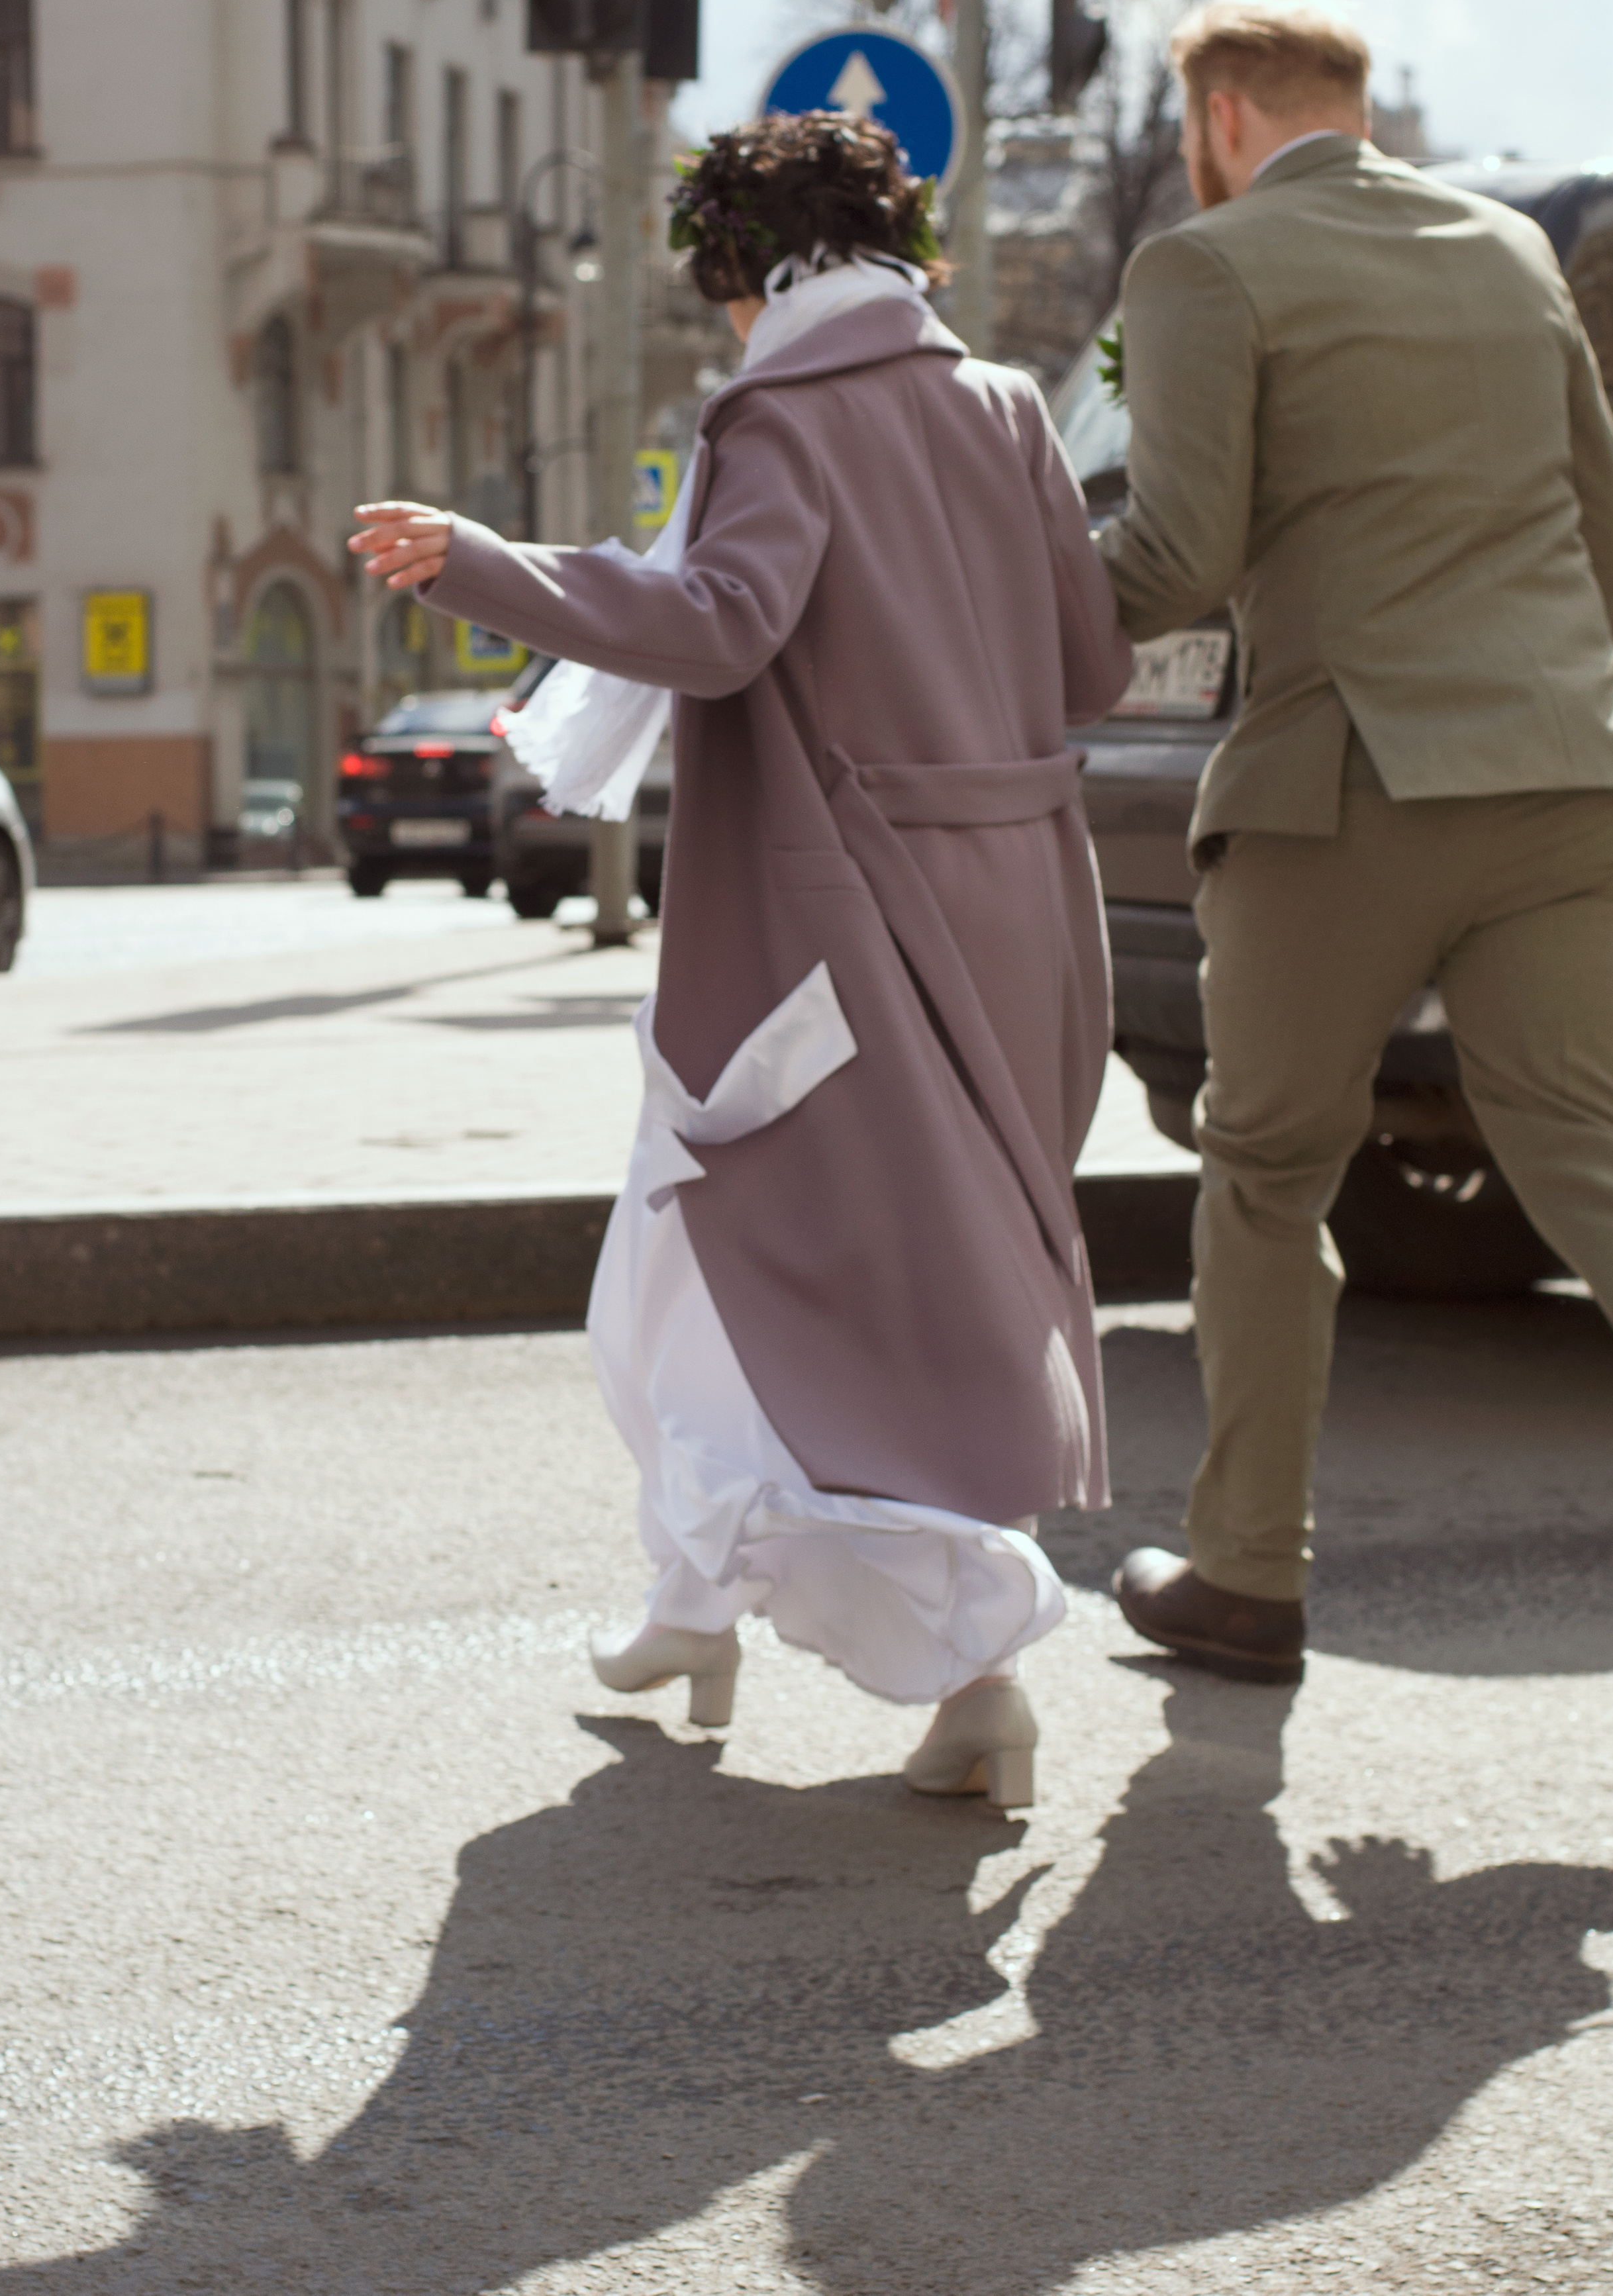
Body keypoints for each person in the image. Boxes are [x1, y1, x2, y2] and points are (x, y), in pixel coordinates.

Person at [352, 112, 1132, 1802]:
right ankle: (703, 1614)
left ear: (750, 276)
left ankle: (952, 1655)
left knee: (723, 1251)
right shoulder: (1004, 405)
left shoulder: (777, 413)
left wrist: (490, 566)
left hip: (835, 927)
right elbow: (1091, 662)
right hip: (1018, 911)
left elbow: (719, 622)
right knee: (919, 1285)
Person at [1099, 0, 1613, 1682]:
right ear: (1351, 100)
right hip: (1557, 774)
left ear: (1216, 119)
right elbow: (1602, 521)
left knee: (1265, 1168)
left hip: (1342, 788)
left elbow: (1167, 559)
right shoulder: (1507, 253)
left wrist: (991, 603)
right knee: (1584, 1155)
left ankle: (1244, 1574)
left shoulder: (1207, 262)